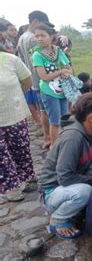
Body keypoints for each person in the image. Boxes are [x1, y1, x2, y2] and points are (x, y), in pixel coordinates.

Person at [38, 93, 92, 239]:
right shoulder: (73, 138)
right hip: (52, 191)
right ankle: (58, 219)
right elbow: (65, 177)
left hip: (73, 183)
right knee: (86, 191)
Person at [0, 48, 35, 202]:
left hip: (14, 114)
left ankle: (28, 177)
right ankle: (11, 187)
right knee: (2, 157)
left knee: (20, 149)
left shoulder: (10, 59)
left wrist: (15, 95)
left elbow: (27, 80)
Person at [17, 10, 54, 148]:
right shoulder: (33, 39)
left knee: (43, 110)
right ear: (35, 21)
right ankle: (50, 137)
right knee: (47, 111)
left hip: (33, 78)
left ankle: (47, 136)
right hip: (42, 79)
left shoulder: (22, 38)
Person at [32, 24, 72, 145]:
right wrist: (60, 71)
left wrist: (67, 73)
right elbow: (43, 77)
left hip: (63, 90)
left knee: (65, 118)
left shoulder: (58, 51)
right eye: (37, 36)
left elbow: (69, 68)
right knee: (54, 121)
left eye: (43, 35)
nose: (39, 38)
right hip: (49, 91)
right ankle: (54, 147)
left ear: (51, 36)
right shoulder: (37, 55)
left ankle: (64, 143)